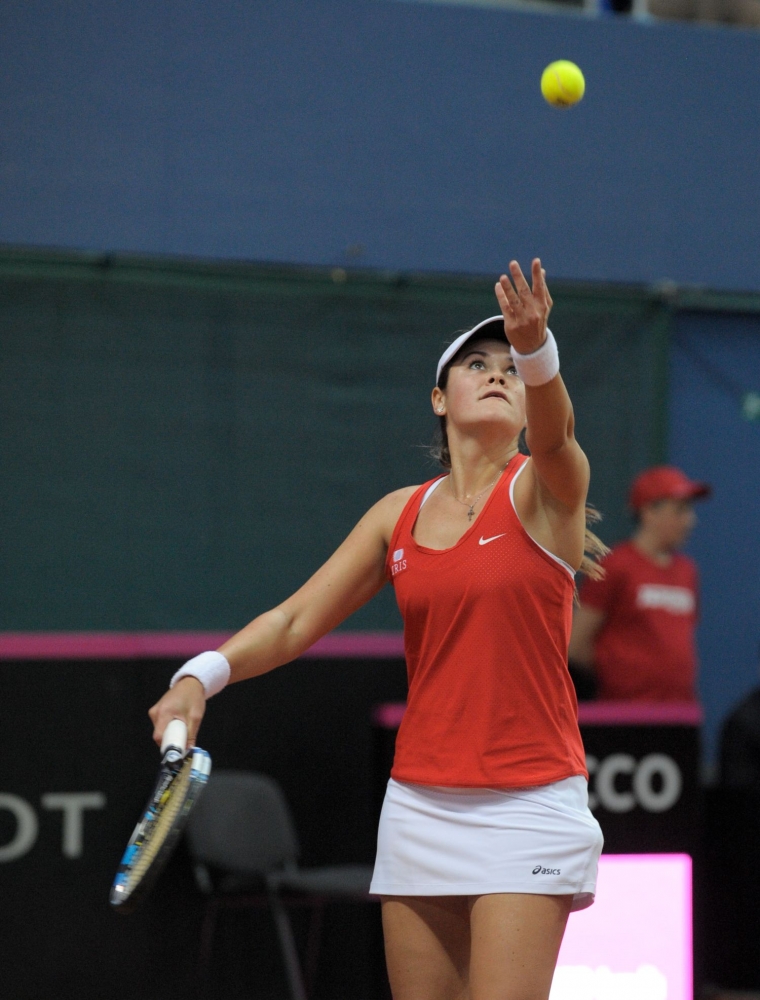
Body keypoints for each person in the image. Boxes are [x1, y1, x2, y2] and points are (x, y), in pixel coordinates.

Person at [149, 259, 604, 1000]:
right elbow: (294, 620)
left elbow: (559, 439)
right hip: (420, 805)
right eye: (477, 365)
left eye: (511, 370)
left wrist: (537, 350)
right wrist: (200, 676)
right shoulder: (398, 513)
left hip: (529, 804)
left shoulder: (547, 490)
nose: (498, 374)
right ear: (438, 397)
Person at [569, 465, 710, 703]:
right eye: (680, 510)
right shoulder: (616, 566)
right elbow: (576, 643)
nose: (690, 521)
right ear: (648, 512)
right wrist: (619, 673)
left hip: (679, 708)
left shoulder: (688, 571)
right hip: (624, 711)